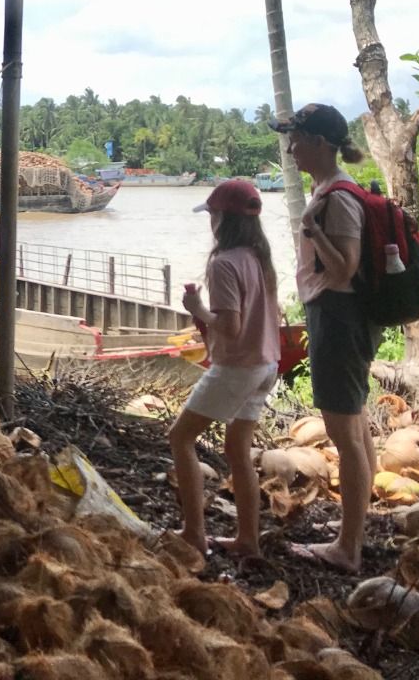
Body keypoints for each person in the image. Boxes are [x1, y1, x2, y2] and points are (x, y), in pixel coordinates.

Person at [270, 103, 376, 573]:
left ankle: (347, 548)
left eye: (296, 138)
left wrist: (313, 228)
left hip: (339, 315)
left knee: (343, 434)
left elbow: (345, 267)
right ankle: (357, 531)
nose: (290, 148)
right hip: (337, 314)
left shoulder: (338, 198)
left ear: (319, 143)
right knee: (354, 426)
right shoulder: (328, 191)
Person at [170, 179, 280, 560]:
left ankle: (194, 533)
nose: (210, 221)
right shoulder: (258, 258)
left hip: (238, 366)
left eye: (212, 214)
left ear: (221, 219)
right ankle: (248, 539)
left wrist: (197, 309)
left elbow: (229, 326)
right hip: (267, 364)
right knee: (237, 449)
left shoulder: (223, 264)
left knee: (180, 438)